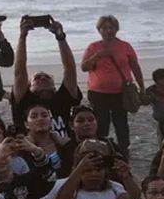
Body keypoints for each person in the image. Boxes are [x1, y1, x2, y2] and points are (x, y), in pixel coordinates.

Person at [9, 16, 82, 136]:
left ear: (54, 86)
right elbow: (19, 71)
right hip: (30, 151)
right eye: (37, 78)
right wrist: (22, 36)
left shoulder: (64, 98)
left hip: (63, 150)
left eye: (47, 77)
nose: (42, 78)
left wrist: (60, 37)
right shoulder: (24, 100)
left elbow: (70, 68)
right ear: (29, 87)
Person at [81, 14, 145, 151]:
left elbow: (135, 67)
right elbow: (84, 67)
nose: (108, 30)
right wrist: (98, 55)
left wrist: (142, 88)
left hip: (121, 92)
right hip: (98, 93)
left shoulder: (125, 46)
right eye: (104, 28)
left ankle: (123, 149)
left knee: (121, 123)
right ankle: (100, 149)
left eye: (111, 27)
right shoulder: (93, 47)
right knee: (102, 123)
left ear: (116, 29)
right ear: (99, 30)